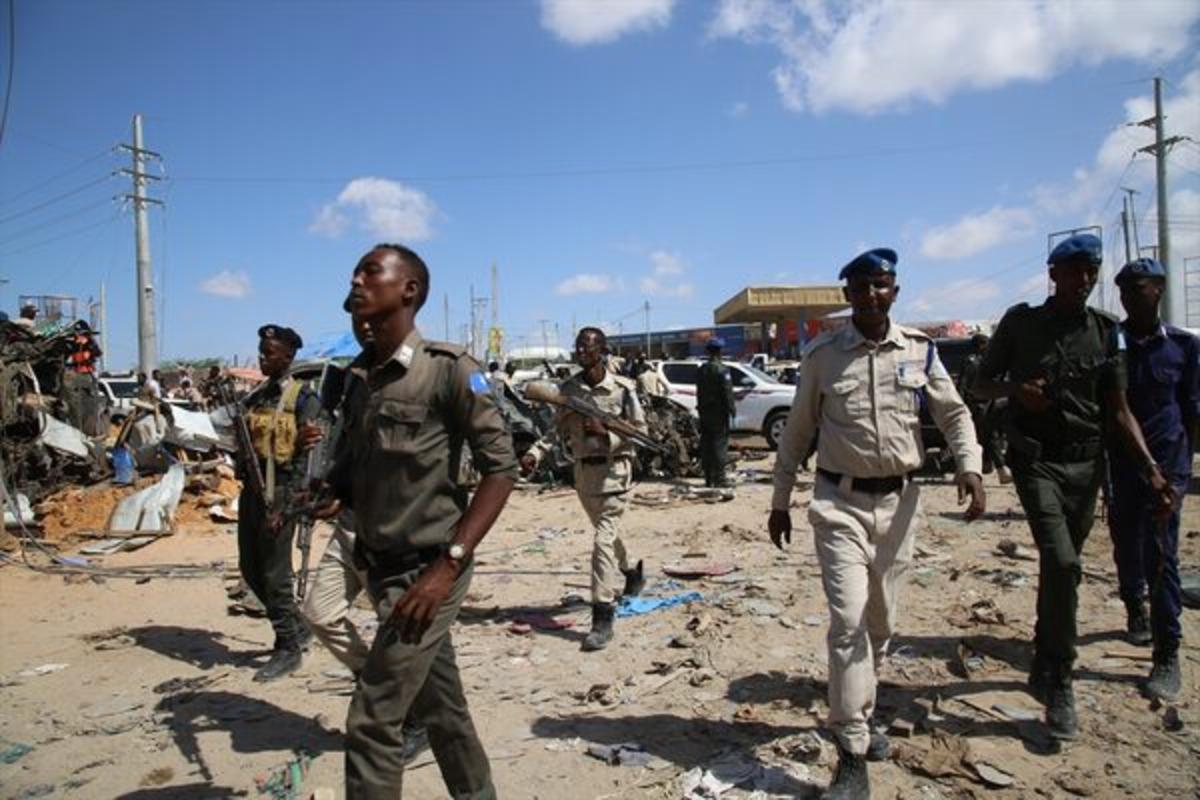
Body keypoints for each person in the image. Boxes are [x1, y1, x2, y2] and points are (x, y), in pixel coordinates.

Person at [769, 247, 985, 799]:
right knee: (847, 622)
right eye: (861, 287)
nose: (870, 295)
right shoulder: (823, 356)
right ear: (848, 295)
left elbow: (953, 412)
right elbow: (797, 432)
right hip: (837, 503)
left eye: (880, 285)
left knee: (882, 624)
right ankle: (851, 752)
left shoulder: (919, 350)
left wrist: (970, 465)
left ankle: (863, 710)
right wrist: (779, 500)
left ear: (894, 291)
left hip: (900, 504)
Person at [318, 243, 517, 799]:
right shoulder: (361, 378)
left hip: (430, 572)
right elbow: (357, 464)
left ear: (409, 290)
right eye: (355, 271)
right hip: (378, 568)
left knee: (372, 719)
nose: (357, 280)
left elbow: (501, 471)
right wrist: (333, 490)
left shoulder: (448, 370)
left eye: (370, 272)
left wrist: (447, 567)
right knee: (443, 710)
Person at [972, 234, 1174, 740]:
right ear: (1053, 274)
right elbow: (978, 384)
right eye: (1074, 270)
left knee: (1061, 569)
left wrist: (1151, 469)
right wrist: (1016, 390)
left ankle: (1044, 657)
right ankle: (1061, 681)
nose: (1084, 280)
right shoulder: (1021, 325)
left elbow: (1120, 410)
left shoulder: (1106, 332)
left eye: (1091, 271)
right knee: (1063, 562)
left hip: (1087, 468)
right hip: (1036, 462)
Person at [300, 308, 429, 764]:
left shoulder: (427, 372)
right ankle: (377, 685)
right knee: (319, 614)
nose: (365, 326)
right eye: (358, 318)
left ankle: (412, 718)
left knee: (401, 633)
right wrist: (333, 488)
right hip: (352, 523)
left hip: (397, 531)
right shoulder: (351, 380)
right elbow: (350, 449)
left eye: (375, 316)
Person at [520, 327, 647, 652]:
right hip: (584, 477)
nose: (580, 352)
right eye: (578, 346)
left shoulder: (622, 389)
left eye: (587, 347)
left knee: (602, 540)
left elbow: (641, 431)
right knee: (608, 535)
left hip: (616, 474)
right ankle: (631, 570)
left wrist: (607, 434)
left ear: (602, 350)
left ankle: (602, 616)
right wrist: (535, 454)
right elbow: (554, 432)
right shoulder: (569, 390)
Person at [1105, 257, 1196, 700]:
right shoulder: (1113, 343)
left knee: (1162, 557)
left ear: (1158, 289)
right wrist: (1148, 469)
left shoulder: (1183, 346)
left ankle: (1167, 653)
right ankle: (1133, 607)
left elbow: (1190, 412)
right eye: (1123, 290)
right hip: (1126, 467)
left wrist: (1178, 474)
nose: (1128, 298)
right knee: (1126, 543)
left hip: (1168, 468)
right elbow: (1117, 410)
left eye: (1137, 289)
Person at [236, 324, 322, 682]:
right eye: (261, 351)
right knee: (250, 568)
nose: (262, 358)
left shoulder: (303, 398)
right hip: (253, 493)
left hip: (283, 493)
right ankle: (297, 627)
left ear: (288, 356)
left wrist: (288, 506)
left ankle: (288, 646)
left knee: (275, 574)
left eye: (269, 353)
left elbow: (310, 457)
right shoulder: (257, 397)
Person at [958, 333, 1010, 483]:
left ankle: (984, 466)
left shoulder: (985, 361)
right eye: (986, 344)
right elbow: (963, 384)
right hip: (978, 405)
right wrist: (961, 404)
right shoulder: (972, 361)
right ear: (980, 345)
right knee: (987, 435)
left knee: (982, 436)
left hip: (989, 403)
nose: (988, 347)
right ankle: (1000, 469)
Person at [696, 337, 737, 488]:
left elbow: (699, 392)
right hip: (718, 414)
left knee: (706, 445)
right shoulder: (722, 370)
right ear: (720, 351)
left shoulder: (702, 370)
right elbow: (727, 392)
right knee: (719, 445)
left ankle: (708, 478)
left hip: (704, 412)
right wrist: (732, 409)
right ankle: (720, 478)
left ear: (708, 351)